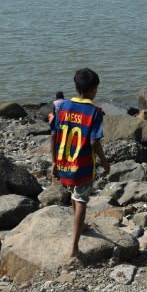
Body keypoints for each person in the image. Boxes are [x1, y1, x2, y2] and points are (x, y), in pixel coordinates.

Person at [50, 68, 109, 258]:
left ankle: (81, 225)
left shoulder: (62, 108)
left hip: (64, 161)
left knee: (75, 195)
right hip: (82, 164)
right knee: (81, 200)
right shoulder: (94, 112)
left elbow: (54, 135)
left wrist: (54, 162)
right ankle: (74, 247)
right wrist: (105, 162)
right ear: (93, 90)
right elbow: (95, 142)